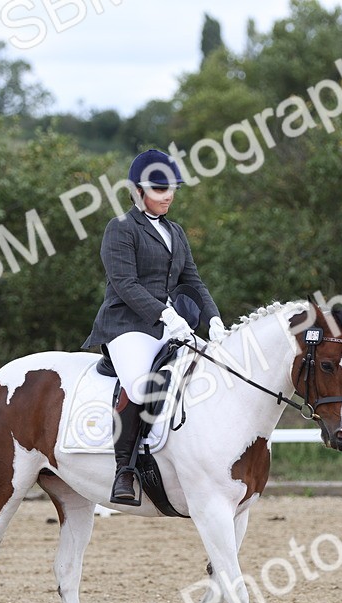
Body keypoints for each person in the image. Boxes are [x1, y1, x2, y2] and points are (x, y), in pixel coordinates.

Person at [82, 149, 227, 505]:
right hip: (126, 324)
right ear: (137, 191)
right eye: (160, 190)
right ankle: (124, 470)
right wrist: (167, 316)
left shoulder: (175, 231)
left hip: (168, 324)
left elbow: (193, 280)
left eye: (172, 189)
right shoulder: (120, 228)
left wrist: (214, 320)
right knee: (139, 382)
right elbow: (125, 284)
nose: (168, 196)